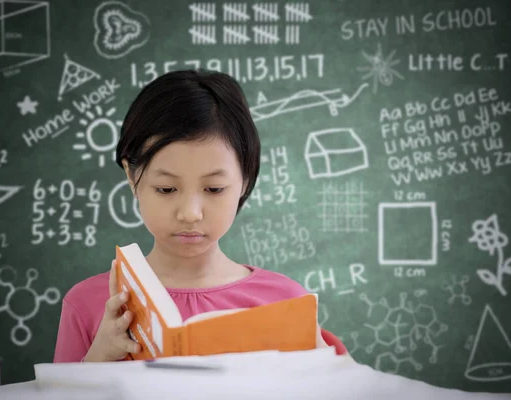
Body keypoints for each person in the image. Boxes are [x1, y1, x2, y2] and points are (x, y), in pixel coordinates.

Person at [53, 69, 348, 363]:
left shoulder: (286, 301)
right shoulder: (90, 305)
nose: (190, 214)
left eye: (214, 188)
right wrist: (97, 359)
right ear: (132, 176)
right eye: (167, 189)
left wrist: (325, 364)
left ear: (245, 180)